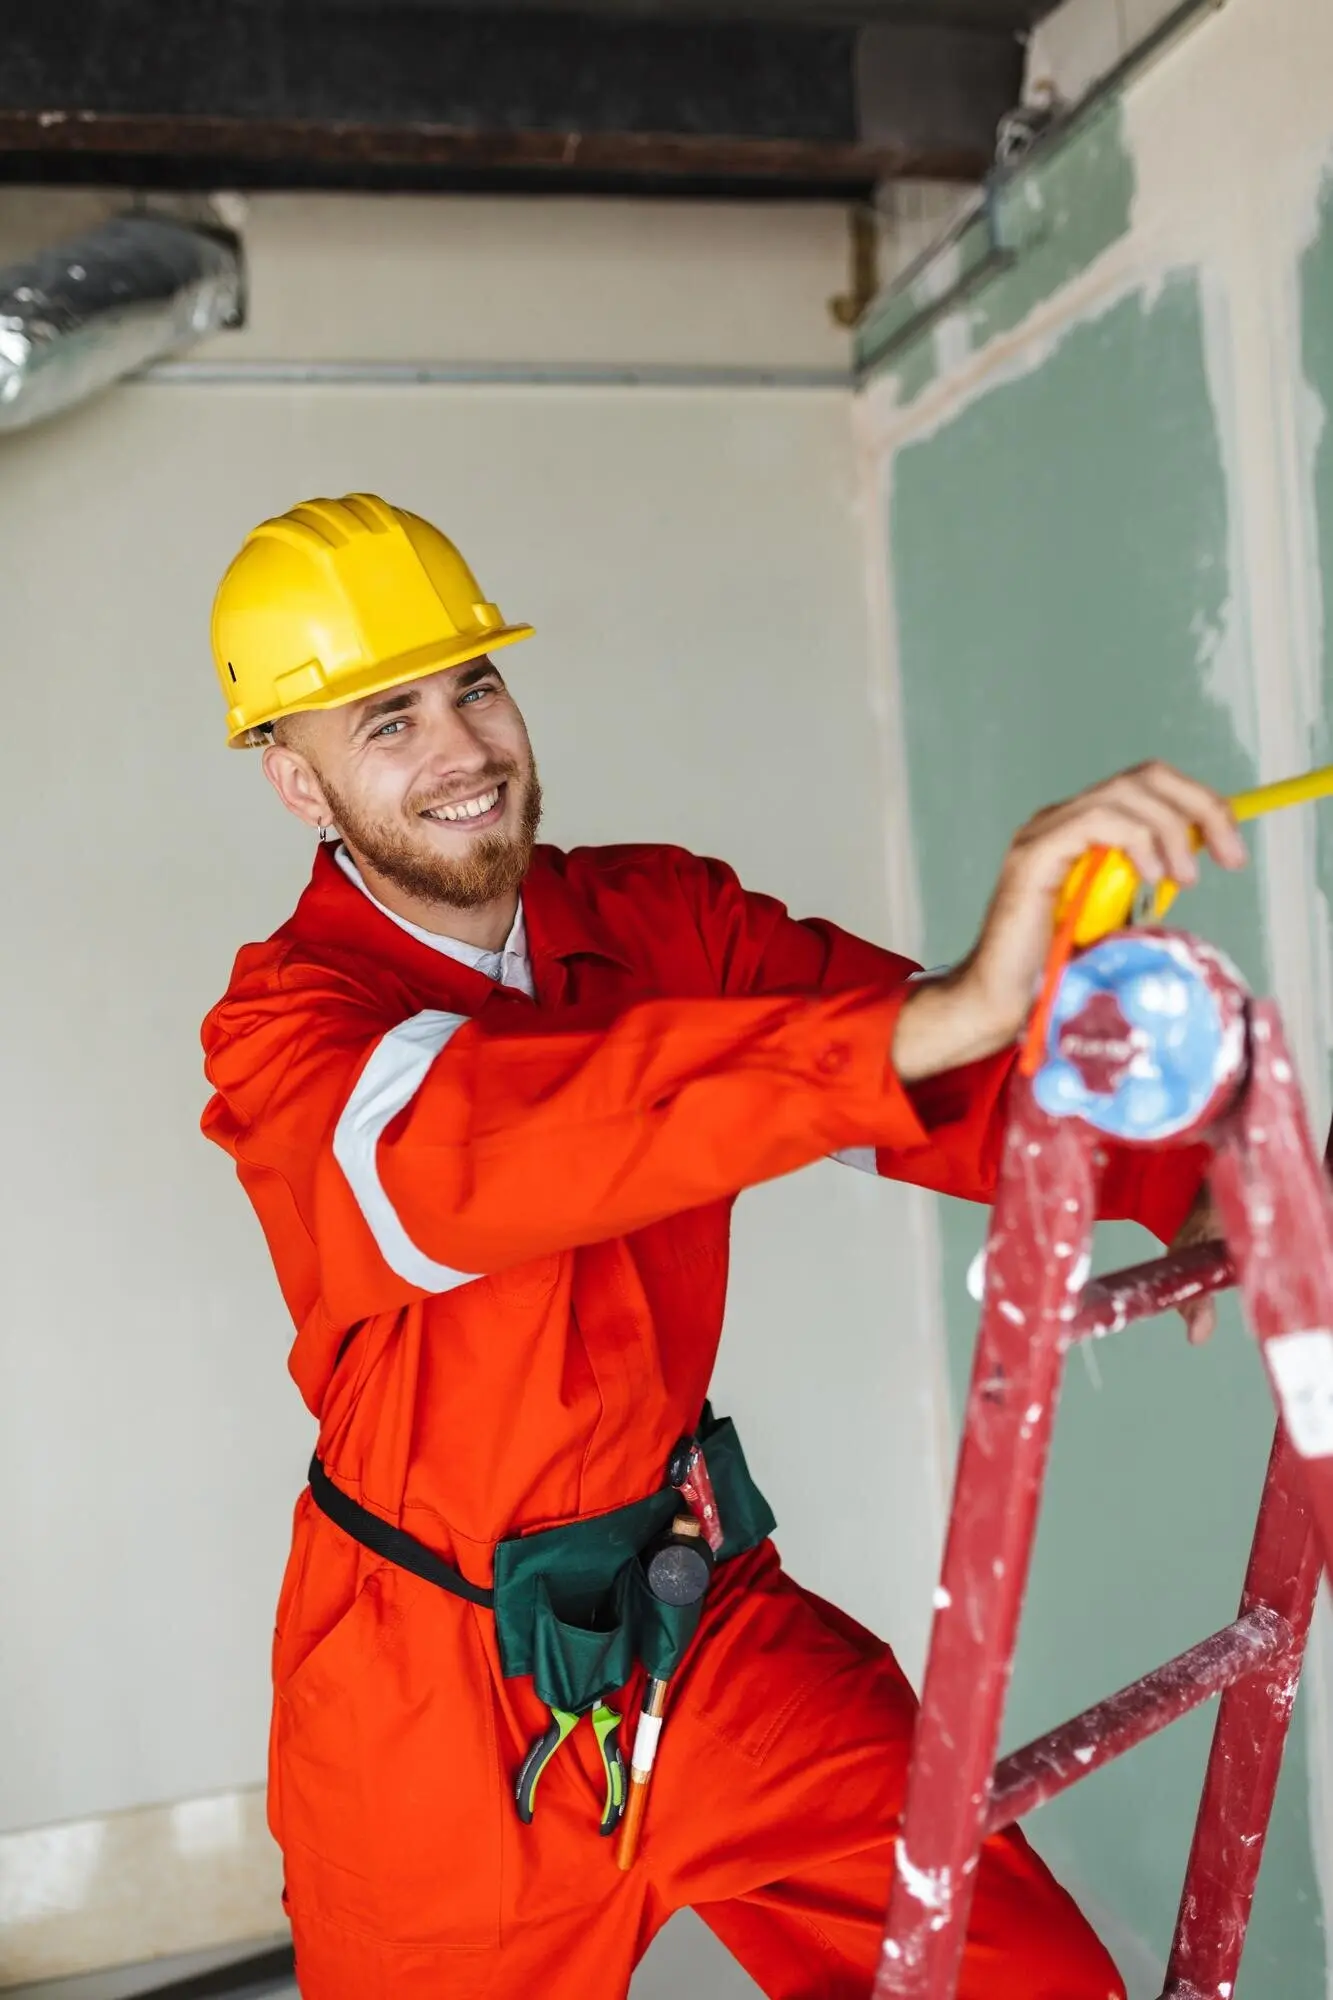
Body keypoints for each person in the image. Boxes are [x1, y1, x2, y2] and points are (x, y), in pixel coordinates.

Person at [201, 494, 1242, 2000]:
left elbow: (932, 1076)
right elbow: (487, 1146)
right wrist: (918, 1022)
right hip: (430, 1705)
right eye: (389, 720)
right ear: (298, 783)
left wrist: (1191, 1167)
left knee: (1010, 1974)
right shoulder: (287, 1032)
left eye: (475, 685)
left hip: (697, 1616)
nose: (462, 749)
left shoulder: (658, 919)